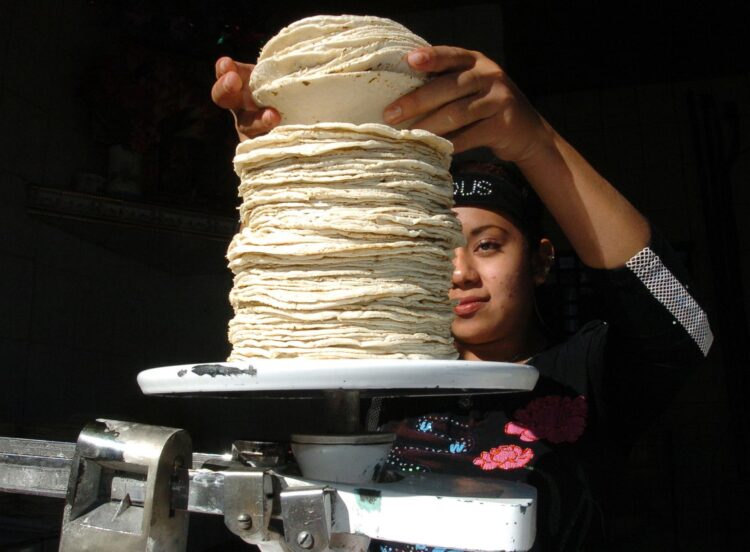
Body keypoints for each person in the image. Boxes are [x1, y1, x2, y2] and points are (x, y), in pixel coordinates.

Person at [212, 46, 712, 550]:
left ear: (540, 261)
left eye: (487, 245)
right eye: (435, 248)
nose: (459, 273)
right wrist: (308, 150)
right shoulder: (371, 378)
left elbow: (682, 324)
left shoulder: (584, 374)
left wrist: (533, 141)